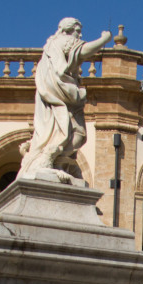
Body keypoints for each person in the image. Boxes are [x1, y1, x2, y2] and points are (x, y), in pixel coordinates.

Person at [19, 18, 113, 181]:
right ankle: (50, 156)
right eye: (77, 31)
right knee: (76, 133)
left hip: (61, 95)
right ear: (66, 30)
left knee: (69, 132)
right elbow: (83, 51)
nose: (80, 35)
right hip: (61, 94)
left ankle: (57, 161)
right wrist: (104, 39)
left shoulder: (51, 47)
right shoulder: (61, 41)